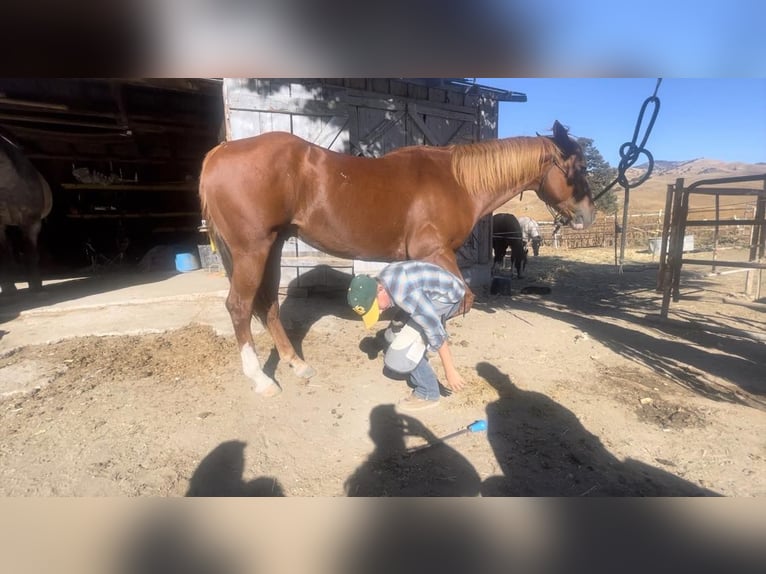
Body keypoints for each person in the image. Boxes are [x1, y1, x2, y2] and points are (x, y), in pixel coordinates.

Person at [347, 260, 467, 412]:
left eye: (376, 307)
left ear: (380, 289)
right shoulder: (382, 279)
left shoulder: (405, 294)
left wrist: (450, 371)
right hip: (433, 291)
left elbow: (435, 331)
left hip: (447, 298)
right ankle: (422, 350)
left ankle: (428, 393)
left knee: (403, 350)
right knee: (393, 333)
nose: (379, 312)